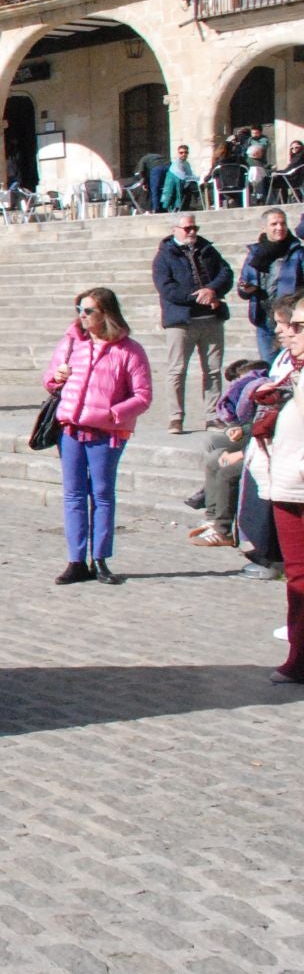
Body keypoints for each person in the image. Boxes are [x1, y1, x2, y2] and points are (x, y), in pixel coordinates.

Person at [46, 287, 153, 585]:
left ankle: (101, 558)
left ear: (106, 313)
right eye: (79, 309)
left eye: (89, 310)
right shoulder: (72, 344)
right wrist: (57, 378)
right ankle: (76, 560)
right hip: (70, 430)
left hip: (107, 433)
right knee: (73, 495)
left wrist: (113, 413)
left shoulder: (129, 350)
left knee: (102, 495)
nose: (82, 315)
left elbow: (142, 395)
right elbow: (50, 380)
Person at [251, 297, 304, 684]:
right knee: (298, 579)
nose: (289, 331)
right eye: (291, 324)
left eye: (299, 327)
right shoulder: (289, 367)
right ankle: (299, 657)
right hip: (287, 483)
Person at [153, 213, 231, 434]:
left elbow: (226, 273)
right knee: (177, 370)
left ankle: (213, 415)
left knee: (213, 370)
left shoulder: (207, 249)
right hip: (181, 321)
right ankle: (176, 417)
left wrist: (212, 290)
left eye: (194, 227)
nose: (192, 232)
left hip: (211, 319)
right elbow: (166, 288)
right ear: (175, 229)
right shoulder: (164, 256)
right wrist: (197, 296)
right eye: (187, 228)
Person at [189, 358, 265, 550]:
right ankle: (213, 515)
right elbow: (256, 421)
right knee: (214, 452)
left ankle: (222, 529)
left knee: (226, 470)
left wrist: (241, 453)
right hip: (252, 439)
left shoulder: (267, 387)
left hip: (263, 447)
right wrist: (241, 429)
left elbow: (270, 427)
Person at [238, 207, 304, 363]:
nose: (279, 228)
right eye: (274, 224)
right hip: (263, 319)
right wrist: (246, 289)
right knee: (268, 366)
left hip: (289, 319)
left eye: (283, 223)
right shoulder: (255, 254)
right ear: (264, 227)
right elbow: (242, 287)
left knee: (290, 364)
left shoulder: (298, 253)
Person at [160, 144, 199, 212]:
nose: (183, 154)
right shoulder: (176, 163)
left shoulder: (187, 163)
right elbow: (182, 176)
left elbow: (189, 175)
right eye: (181, 153)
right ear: (178, 153)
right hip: (175, 186)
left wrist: (197, 178)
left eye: (186, 152)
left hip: (184, 185)